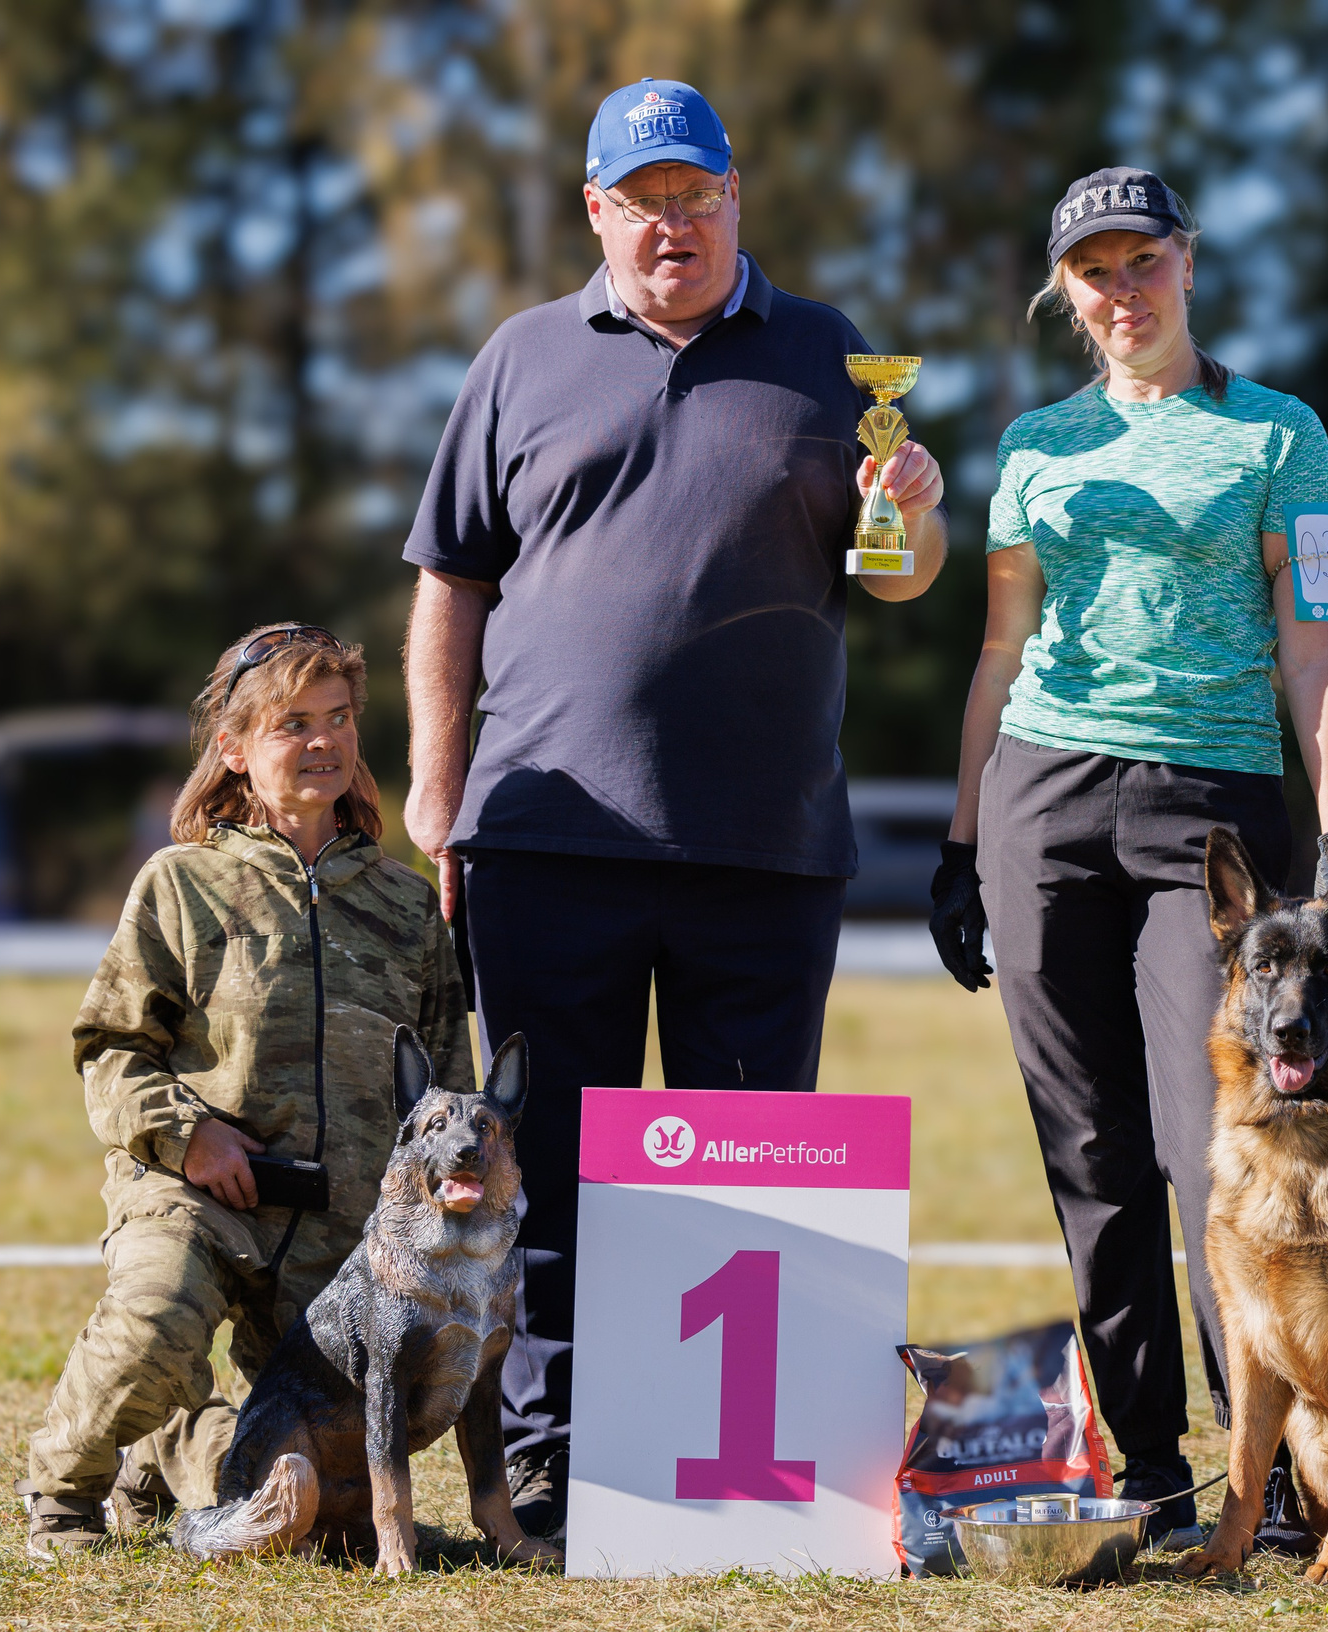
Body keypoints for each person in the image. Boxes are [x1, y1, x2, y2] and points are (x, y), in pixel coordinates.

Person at [399, 77, 947, 1540]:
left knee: (747, 1167)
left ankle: (732, 1477)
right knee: (547, 1173)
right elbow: (450, 582)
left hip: (764, 845)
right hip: (543, 836)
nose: (672, 227)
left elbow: (898, 579)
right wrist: (437, 783)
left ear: (734, 197)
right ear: (596, 211)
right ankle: (552, 1460)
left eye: (695, 197)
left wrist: (916, 511)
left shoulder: (830, 354)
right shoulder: (520, 357)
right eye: (642, 203)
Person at [929, 168, 1328, 1543]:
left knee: (1213, 1142)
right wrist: (959, 840)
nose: (1123, 291)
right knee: (1087, 1145)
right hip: (1041, 799)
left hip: (1211, 810)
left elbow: (1316, 647)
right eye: (1095, 271)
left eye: (1143, 262)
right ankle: (1149, 1469)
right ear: (1067, 291)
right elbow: (999, 648)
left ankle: (1269, 1472)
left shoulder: (1278, 433)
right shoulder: (1035, 444)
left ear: (1188, 261)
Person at [19, 624, 469, 1560]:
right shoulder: (179, 885)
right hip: (198, 1192)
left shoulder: (406, 909)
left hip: (344, 1234)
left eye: (338, 718)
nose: (324, 741)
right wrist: (187, 1136)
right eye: (293, 724)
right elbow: (110, 1047)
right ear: (233, 748)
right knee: (155, 1322)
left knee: (322, 1512)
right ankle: (64, 1496)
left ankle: (176, 1451)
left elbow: (447, 1095)